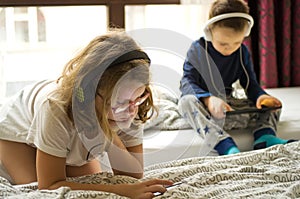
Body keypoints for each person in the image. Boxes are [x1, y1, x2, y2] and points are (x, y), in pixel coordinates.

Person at [0, 30, 173, 198]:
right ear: (90, 93)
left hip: (79, 128)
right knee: (38, 189)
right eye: (119, 103)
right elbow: (49, 186)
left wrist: (109, 132)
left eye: (139, 97)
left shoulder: (131, 103)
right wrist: (122, 191)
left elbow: (132, 175)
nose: (130, 110)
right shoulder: (55, 108)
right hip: (19, 132)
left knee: (90, 184)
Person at [178, 0, 294, 156]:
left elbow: (250, 84)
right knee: (186, 102)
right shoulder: (197, 49)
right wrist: (208, 99)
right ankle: (223, 144)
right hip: (203, 105)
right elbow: (187, 82)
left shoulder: (242, 52)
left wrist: (261, 96)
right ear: (209, 32)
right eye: (223, 43)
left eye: (237, 42)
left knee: (273, 104)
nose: (230, 49)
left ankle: (264, 136)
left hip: (227, 107)